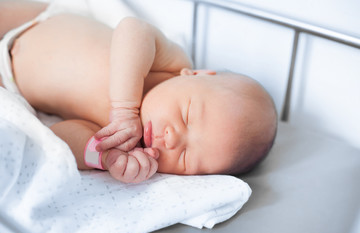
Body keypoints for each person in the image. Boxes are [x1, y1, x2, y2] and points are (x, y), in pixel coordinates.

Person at [0, 1, 277, 183]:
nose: (171, 139)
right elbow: (132, 30)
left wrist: (105, 156)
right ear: (195, 75)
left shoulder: (125, 140)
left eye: (184, 158)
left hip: (9, 80)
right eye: (187, 114)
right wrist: (124, 108)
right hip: (36, 19)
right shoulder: (172, 65)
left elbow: (59, 136)